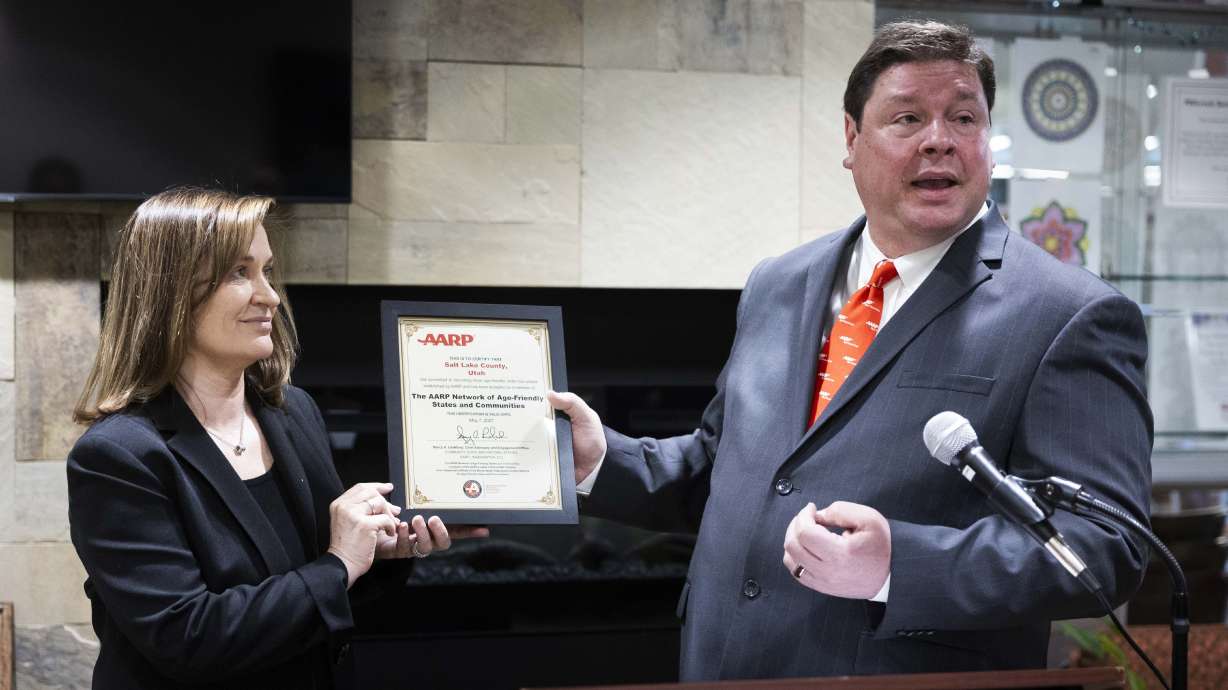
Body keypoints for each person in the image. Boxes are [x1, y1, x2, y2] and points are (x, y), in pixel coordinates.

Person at [549, 20, 1152, 681]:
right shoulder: (778, 283)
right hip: (723, 666)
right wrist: (599, 460)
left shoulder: (1069, 315)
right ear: (851, 138)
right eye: (908, 118)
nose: (939, 140)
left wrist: (901, 566)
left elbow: (1105, 549)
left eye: (964, 118)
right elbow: (733, 471)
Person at [68, 188, 487, 689]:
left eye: (267, 270)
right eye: (239, 272)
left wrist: (377, 555)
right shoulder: (118, 456)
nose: (269, 295)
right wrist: (340, 563)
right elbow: (189, 639)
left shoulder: (293, 411)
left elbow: (317, 594)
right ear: (171, 292)